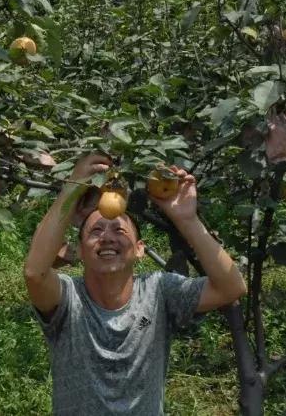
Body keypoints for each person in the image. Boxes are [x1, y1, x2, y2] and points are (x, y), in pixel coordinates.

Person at [24, 154, 247, 415]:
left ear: (140, 249)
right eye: (95, 232)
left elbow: (232, 287)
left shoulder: (159, 292)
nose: (107, 238)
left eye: (119, 231)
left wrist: (187, 218)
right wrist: (72, 189)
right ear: (80, 251)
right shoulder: (67, 298)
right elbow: (34, 273)